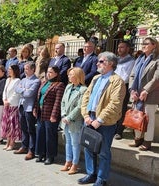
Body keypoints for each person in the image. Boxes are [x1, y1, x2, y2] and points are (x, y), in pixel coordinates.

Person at [79, 51, 126, 186]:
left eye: (101, 61)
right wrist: (86, 115)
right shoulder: (95, 78)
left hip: (105, 121)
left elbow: (115, 104)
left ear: (111, 64)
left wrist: (99, 120)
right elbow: (86, 97)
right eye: (98, 61)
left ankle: (102, 178)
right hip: (90, 117)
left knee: (104, 152)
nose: (97, 63)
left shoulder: (117, 81)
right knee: (89, 147)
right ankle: (91, 174)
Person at [128, 37, 159, 151]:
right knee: (137, 116)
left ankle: (147, 141)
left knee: (148, 119)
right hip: (137, 94)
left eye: (147, 43)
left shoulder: (157, 59)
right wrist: (132, 90)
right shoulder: (140, 58)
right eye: (143, 43)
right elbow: (132, 75)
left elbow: (157, 78)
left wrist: (146, 90)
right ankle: (137, 138)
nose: (143, 45)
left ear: (154, 45)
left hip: (151, 94)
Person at [33, 66, 65, 165]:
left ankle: (50, 156)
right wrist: (35, 108)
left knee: (50, 136)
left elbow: (57, 101)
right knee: (40, 133)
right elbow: (38, 97)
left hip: (50, 114)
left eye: (51, 72)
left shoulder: (59, 85)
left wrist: (54, 115)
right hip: (40, 112)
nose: (48, 74)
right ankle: (41, 153)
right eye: (48, 72)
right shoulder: (44, 83)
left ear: (56, 73)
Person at [60, 67, 87, 174]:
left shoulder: (83, 90)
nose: (69, 76)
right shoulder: (68, 87)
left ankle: (75, 164)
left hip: (75, 121)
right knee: (68, 142)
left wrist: (69, 117)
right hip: (65, 120)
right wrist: (63, 114)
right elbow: (63, 102)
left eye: (71, 74)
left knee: (75, 143)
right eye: (69, 74)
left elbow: (80, 107)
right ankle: (68, 161)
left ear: (78, 76)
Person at [14, 62, 40, 160]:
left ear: (33, 69)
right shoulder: (23, 79)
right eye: (24, 68)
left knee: (31, 129)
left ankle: (31, 150)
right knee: (23, 128)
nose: (25, 70)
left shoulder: (36, 81)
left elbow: (29, 93)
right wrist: (23, 89)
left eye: (27, 68)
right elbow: (16, 89)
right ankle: (24, 146)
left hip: (29, 107)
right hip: (21, 105)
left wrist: (23, 90)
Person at [114, 41, 135, 140]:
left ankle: (119, 131)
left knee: (121, 110)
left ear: (127, 49)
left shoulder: (131, 61)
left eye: (122, 47)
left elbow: (126, 76)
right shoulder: (116, 60)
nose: (119, 49)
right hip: (113, 87)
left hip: (123, 87)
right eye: (118, 47)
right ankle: (112, 129)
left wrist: (116, 82)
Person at [1, 65, 21, 150]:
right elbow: (4, 91)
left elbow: (16, 93)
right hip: (6, 105)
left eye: (10, 69)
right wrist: (4, 99)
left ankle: (12, 143)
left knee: (13, 125)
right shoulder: (7, 80)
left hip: (13, 105)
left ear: (14, 70)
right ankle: (7, 141)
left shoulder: (18, 80)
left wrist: (9, 101)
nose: (8, 71)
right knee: (7, 124)